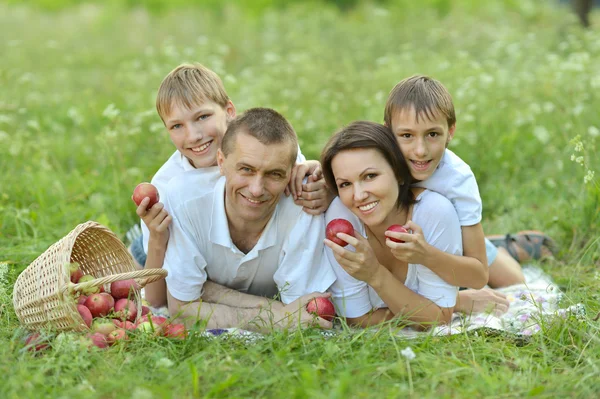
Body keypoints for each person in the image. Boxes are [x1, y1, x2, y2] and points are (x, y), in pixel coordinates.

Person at [129, 63, 332, 307]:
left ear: (229, 111)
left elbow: (301, 183)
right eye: (177, 126)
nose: (193, 135)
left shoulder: (261, 146)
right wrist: (156, 239)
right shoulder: (167, 187)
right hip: (176, 247)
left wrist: (321, 186)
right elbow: (158, 300)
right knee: (137, 265)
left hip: (240, 260)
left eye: (202, 117)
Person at [383, 75, 556, 315]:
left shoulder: (458, 180)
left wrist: (427, 255)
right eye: (406, 135)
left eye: (432, 134)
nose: (420, 151)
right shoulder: (376, 158)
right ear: (388, 134)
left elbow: (477, 276)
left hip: (452, 241)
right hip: (401, 242)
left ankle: (499, 247)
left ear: (450, 131)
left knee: (515, 282)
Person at [161, 108, 336, 332]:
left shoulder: (304, 203)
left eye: (274, 174)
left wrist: (205, 289)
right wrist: (273, 316)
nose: (256, 189)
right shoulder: (182, 197)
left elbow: (303, 314)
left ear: (291, 173)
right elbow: (181, 310)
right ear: (221, 162)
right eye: (246, 169)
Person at [322, 121, 461, 329]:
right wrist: (433, 309)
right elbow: (357, 319)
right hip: (449, 253)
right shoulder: (341, 218)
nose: (358, 196)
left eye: (370, 176)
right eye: (345, 184)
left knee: (503, 270)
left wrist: (375, 274)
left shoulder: (435, 212)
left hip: (455, 244)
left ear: (397, 172)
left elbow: (438, 318)